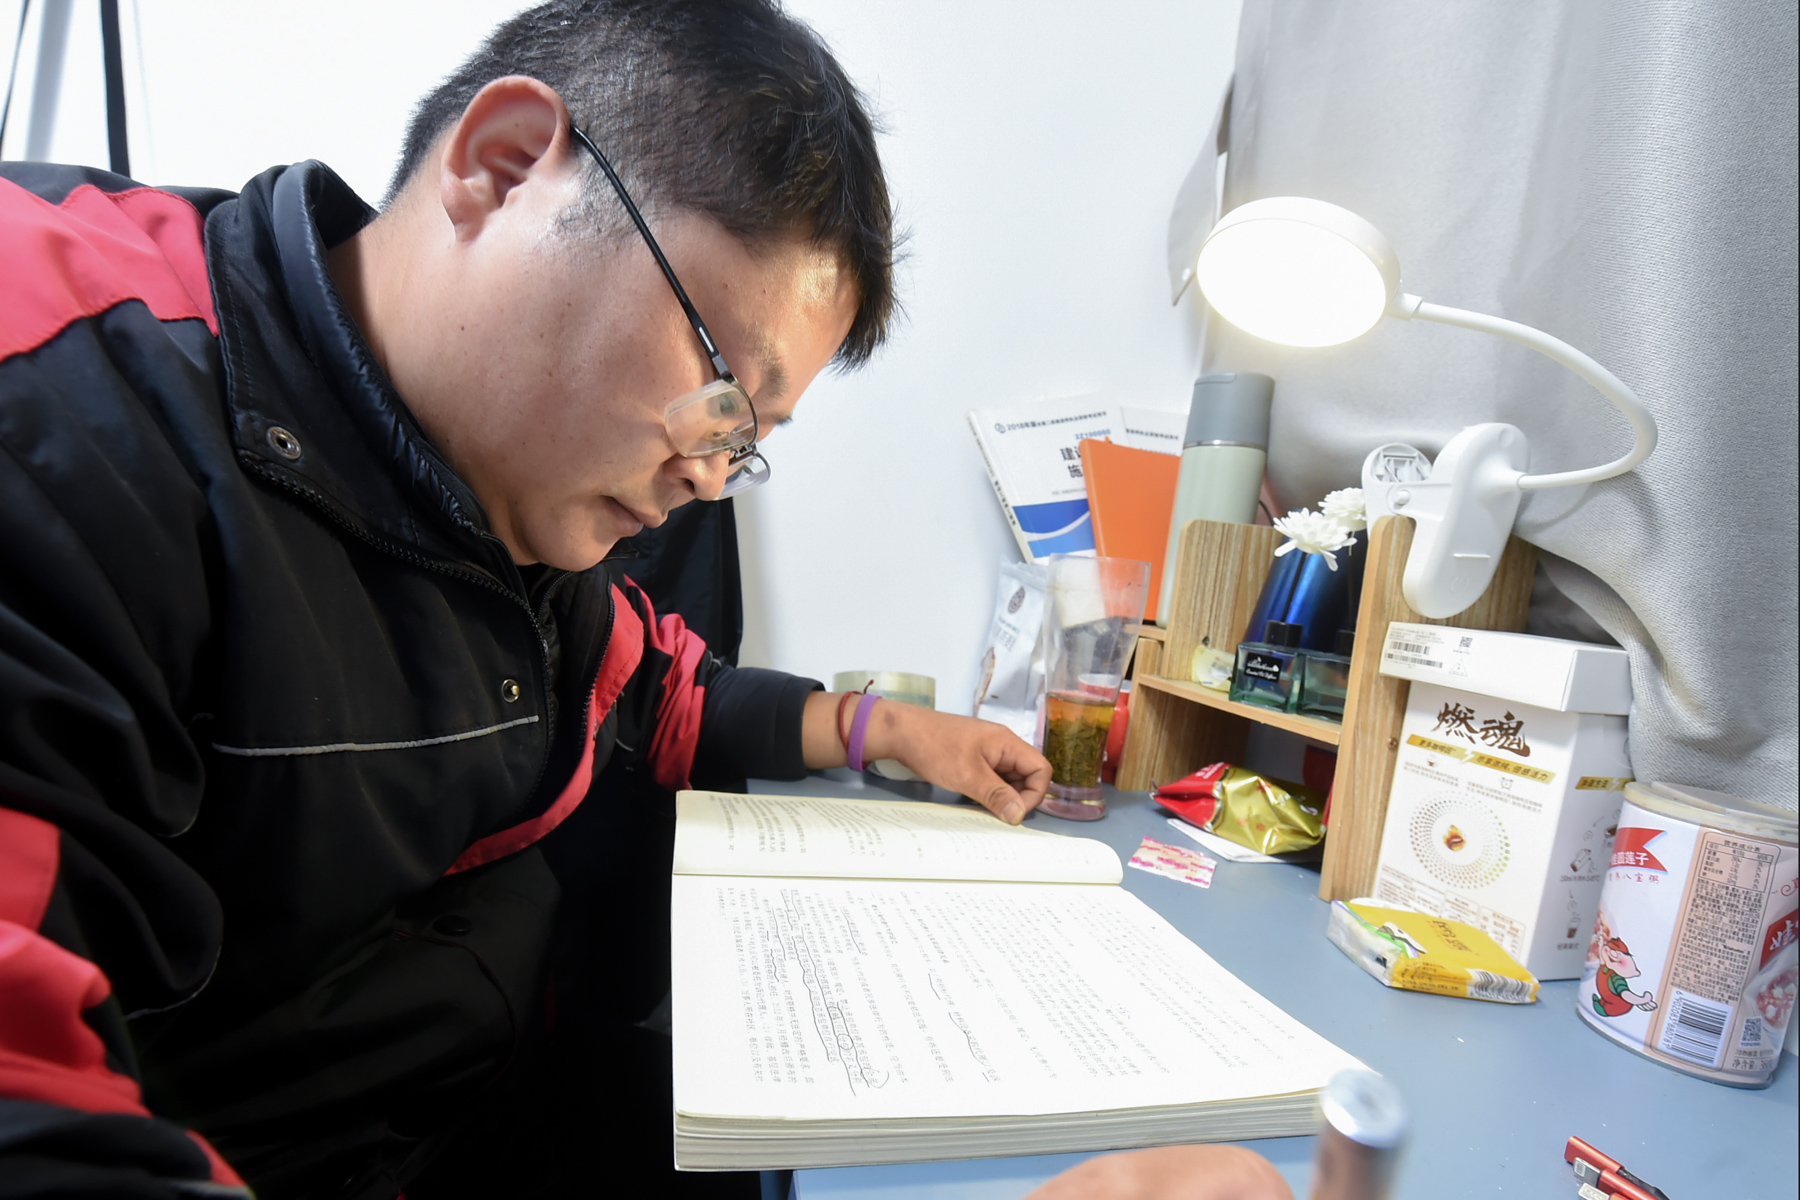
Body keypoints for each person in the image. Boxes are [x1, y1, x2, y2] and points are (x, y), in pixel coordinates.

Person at [0, 2, 1288, 1197]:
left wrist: (888, 730)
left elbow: (658, 687)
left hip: (489, 1096)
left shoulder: (495, 494)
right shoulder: (62, 411)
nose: (713, 475)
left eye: (752, 437)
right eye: (724, 388)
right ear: (505, 165)